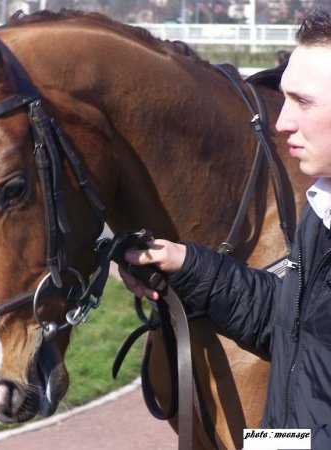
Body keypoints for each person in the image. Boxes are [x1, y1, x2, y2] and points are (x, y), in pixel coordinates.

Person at [119, 8, 331, 448]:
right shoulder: (322, 207)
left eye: (304, 102)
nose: (281, 122)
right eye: (284, 97)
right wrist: (185, 265)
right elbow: (293, 325)